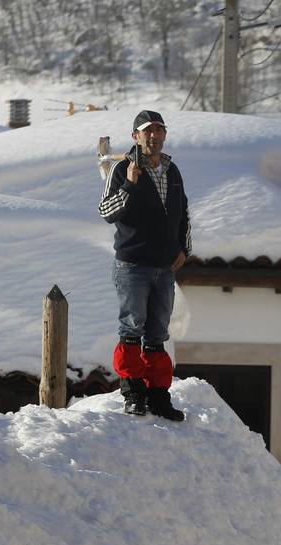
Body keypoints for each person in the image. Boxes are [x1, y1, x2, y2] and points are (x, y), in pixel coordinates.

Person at [98, 109, 190, 420]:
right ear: (136, 136)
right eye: (147, 131)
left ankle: (158, 396)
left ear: (164, 135)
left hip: (164, 267)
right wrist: (130, 186)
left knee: (157, 333)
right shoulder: (124, 169)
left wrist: (183, 247)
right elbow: (107, 211)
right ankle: (132, 393)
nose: (154, 136)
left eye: (159, 130)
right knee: (131, 328)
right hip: (133, 265)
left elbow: (183, 212)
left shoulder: (172, 170)